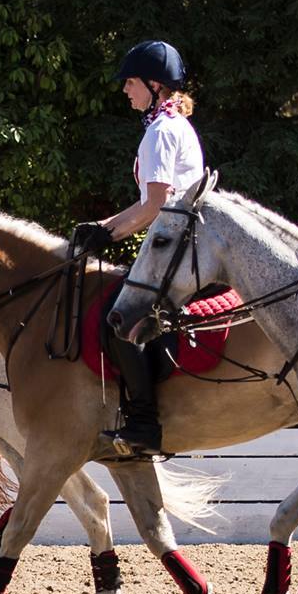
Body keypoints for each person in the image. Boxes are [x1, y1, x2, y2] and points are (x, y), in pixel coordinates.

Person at [83, 40, 205, 459]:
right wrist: (106, 227)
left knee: (120, 314)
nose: (124, 90)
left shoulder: (161, 132)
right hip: (178, 242)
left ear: (154, 85)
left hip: (176, 248)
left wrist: (108, 234)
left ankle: (143, 421)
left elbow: (156, 205)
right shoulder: (171, 126)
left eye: (130, 82)